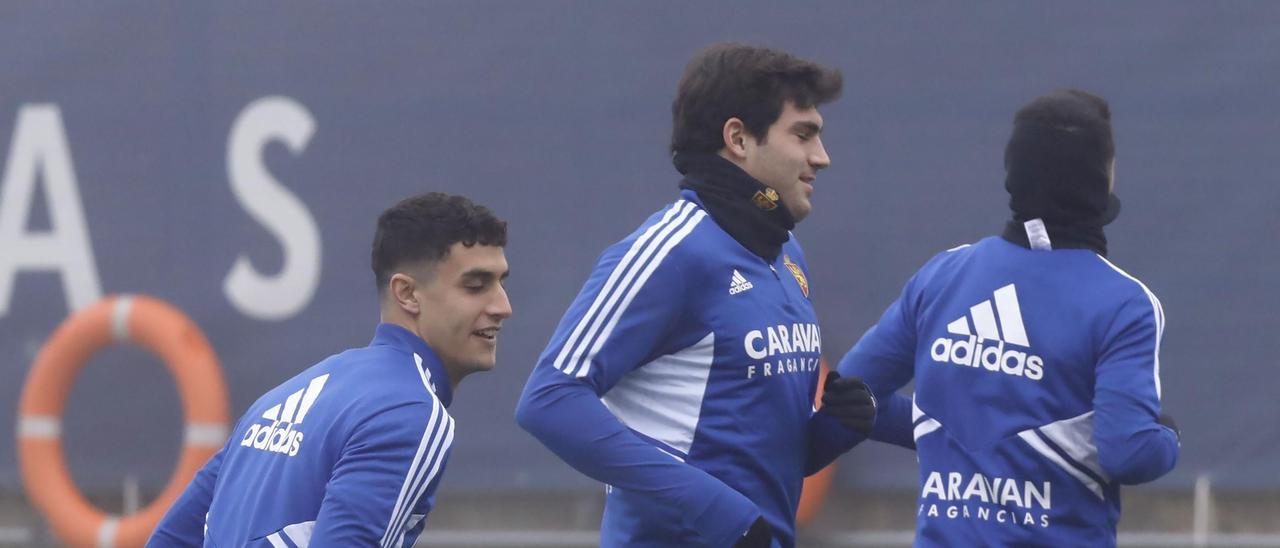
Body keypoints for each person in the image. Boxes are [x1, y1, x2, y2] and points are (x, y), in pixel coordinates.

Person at [515, 43, 877, 548]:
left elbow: (744, 457)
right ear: (738, 138)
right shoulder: (671, 252)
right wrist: (710, 506)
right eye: (803, 134)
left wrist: (830, 432)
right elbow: (548, 400)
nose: (822, 157)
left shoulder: (786, 251)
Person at [833, 89, 1179, 546]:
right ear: (1105, 177)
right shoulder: (1126, 304)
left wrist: (951, 435)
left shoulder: (944, 274)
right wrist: (1168, 438)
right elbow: (1129, 452)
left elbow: (848, 396)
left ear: (1011, 174)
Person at [148, 192, 512, 547]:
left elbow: (169, 540)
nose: (502, 306)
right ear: (407, 294)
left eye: (501, 283)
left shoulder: (280, 399)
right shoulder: (410, 414)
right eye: (476, 285)